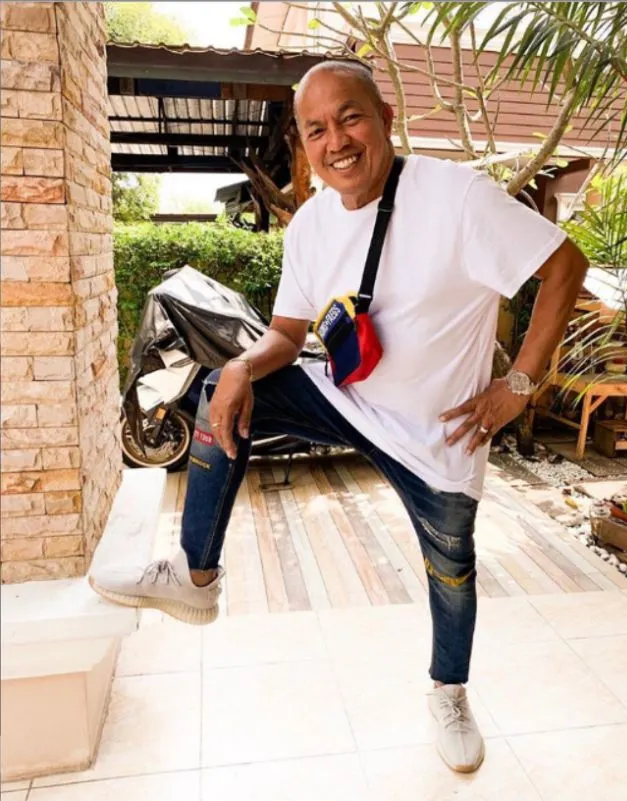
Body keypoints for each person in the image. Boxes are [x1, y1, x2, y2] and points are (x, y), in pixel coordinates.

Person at [91, 61, 588, 773]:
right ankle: (195, 575)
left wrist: (519, 383)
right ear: (303, 142)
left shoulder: (455, 196)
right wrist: (241, 366)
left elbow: (565, 265)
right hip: (348, 399)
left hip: (439, 435)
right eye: (316, 129)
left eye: (350, 117)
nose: (337, 141)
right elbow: (286, 336)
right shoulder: (313, 225)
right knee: (219, 390)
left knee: (452, 573)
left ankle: (449, 692)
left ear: (384, 117)